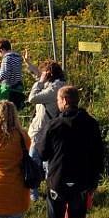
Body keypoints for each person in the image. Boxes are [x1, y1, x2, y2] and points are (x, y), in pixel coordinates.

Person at [33, 85, 104, 218]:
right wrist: (93, 181)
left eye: (58, 100)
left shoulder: (54, 124)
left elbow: (42, 153)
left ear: (64, 101)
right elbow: (98, 155)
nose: (57, 103)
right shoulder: (90, 123)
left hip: (57, 181)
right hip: (81, 182)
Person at [23, 54, 66, 203]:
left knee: (36, 163)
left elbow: (33, 98)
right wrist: (29, 64)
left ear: (49, 75)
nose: (41, 76)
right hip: (46, 131)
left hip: (41, 132)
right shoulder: (57, 85)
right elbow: (39, 77)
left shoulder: (54, 90)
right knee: (46, 163)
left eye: (44, 73)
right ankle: (49, 193)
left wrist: (40, 81)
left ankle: (37, 195)